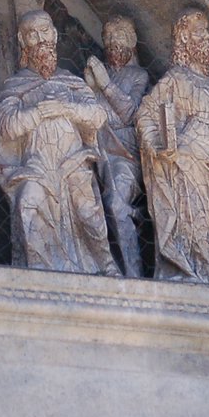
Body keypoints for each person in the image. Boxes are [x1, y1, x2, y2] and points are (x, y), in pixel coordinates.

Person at [0, 10, 120, 276]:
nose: (41, 40)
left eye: (45, 32)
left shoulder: (71, 82)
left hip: (73, 160)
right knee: (28, 202)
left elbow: (97, 115)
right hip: (36, 165)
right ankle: (40, 272)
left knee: (89, 213)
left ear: (55, 34)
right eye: (33, 34)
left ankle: (107, 268)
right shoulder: (16, 84)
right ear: (22, 40)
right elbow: (7, 127)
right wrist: (38, 112)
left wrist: (65, 108)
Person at [136, 11, 209, 285]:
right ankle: (202, 272)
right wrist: (157, 145)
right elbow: (145, 113)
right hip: (188, 160)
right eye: (200, 33)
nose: (207, 37)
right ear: (184, 39)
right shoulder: (176, 79)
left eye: (208, 32)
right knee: (194, 217)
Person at [85, 15, 149, 277]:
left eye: (119, 36)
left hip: (125, 155)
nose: (113, 42)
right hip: (97, 153)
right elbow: (90, 116)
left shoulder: (138, 75)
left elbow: (130, 113)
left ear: (132, 42)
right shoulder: (99, 77)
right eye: (108, 37)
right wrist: (89, 90)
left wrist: (104, 86)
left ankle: (133, 274)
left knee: (114, 203)